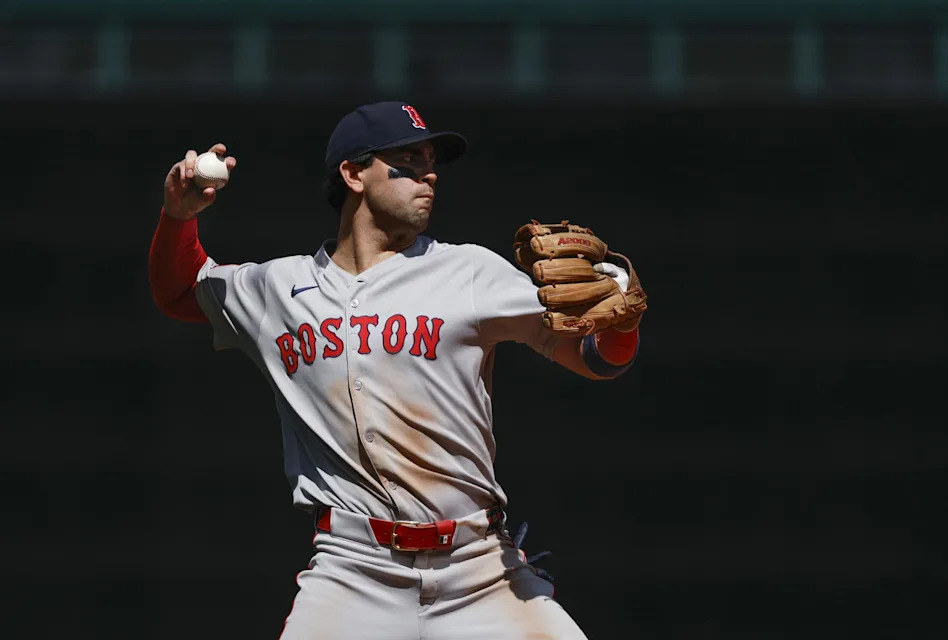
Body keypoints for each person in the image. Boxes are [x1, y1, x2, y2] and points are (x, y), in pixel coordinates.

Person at [149, 101, 641, 639]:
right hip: (352, 571)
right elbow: (179, 290)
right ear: (353, 173)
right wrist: (178, 218)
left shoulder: (469, 271)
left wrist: (622, 317)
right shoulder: (274, 289)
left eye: (431, 160)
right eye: (406, 159)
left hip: (479, 569)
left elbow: (597, 358)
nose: (428, 172)